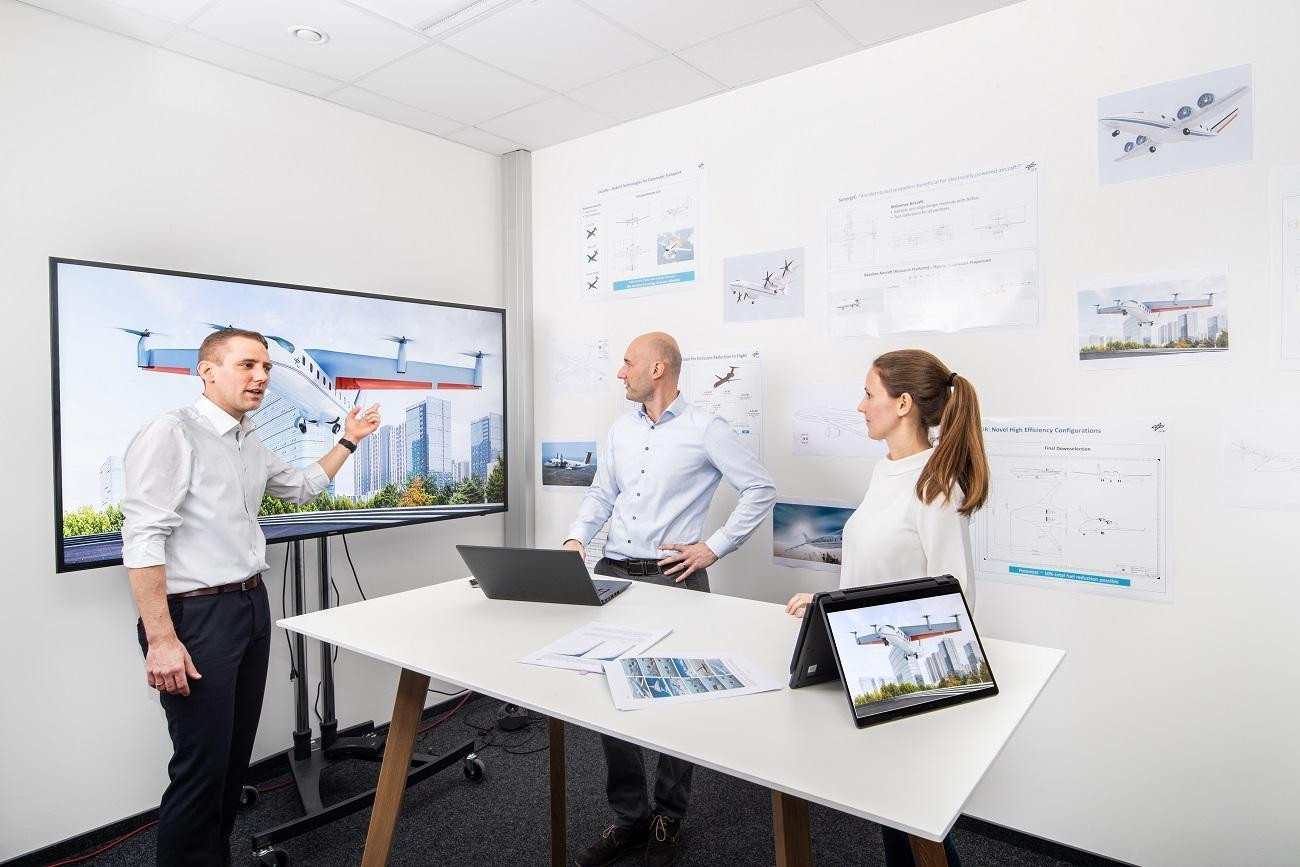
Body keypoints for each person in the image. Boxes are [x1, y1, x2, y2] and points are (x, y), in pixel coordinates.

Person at [121, 328, 380, 867]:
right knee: (201, 767)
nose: (261, 377)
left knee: (232, 759)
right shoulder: (172, 432)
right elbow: (143, 536)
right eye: (246, 365)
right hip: (195, 617)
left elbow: (304, 486)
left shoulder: (249, 442)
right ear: (207, 371)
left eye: (265, 367)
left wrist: (350, 438)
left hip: (248, 607)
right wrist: (162, 639)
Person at [564, 332, 776, 867]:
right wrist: (575, 539)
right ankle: (631, 818)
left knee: (676, 704)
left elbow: (760, 488)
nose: (620, 373)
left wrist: (714, 548)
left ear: (658, 369)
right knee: (610, 698)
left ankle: (668, 817)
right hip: (613, 571)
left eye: (628, 363)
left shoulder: (707, 430)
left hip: (672, 578)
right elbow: (600, 495)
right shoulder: (619, 430)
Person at [785, 349, 988, 867]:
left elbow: (954, 602)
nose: (859, 406)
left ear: (902, 404)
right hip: (862, 661)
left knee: (917, 825)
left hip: (902, 677)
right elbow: (877, 568)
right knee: (894, 818)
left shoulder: (936, 488)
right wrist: (827, 601)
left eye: (869, 394)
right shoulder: (888, 471)